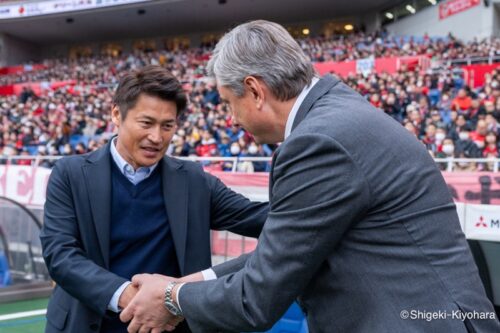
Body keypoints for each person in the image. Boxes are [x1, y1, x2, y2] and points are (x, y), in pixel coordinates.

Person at [121, 21, 500, 332]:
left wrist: (172, 298)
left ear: (254, 91)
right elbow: (291, 251)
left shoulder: (317, 142)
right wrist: (187, 285)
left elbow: (257, 298)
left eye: (228, 103)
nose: (232, 119)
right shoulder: (337, 114)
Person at [40, 65, 268, 333]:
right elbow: (60, 255)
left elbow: (260, 218)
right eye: (146, 123)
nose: (156, 137)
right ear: (116, 114)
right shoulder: (70, 174)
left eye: (167, 126)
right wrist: (131, 297)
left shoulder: (194, 181)